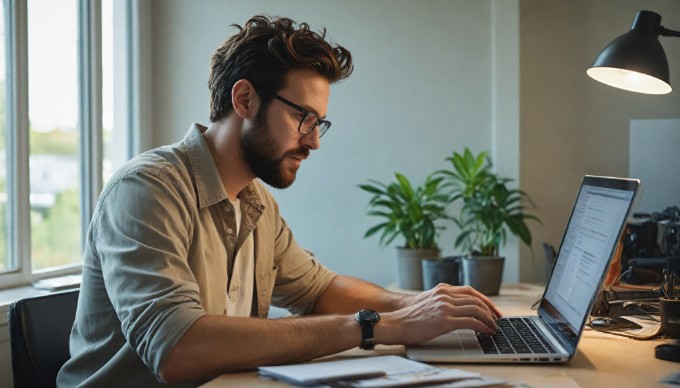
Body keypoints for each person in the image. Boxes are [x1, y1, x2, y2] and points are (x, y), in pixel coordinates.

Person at [57, 15, 501, 387]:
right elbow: (178, 350)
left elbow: (319, 290)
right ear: (245, 98)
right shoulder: (148, 191)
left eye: (319, 123)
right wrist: (372, 327)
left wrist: (421, 306)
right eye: (302, 117)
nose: (313, 142)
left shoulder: (255, 202)